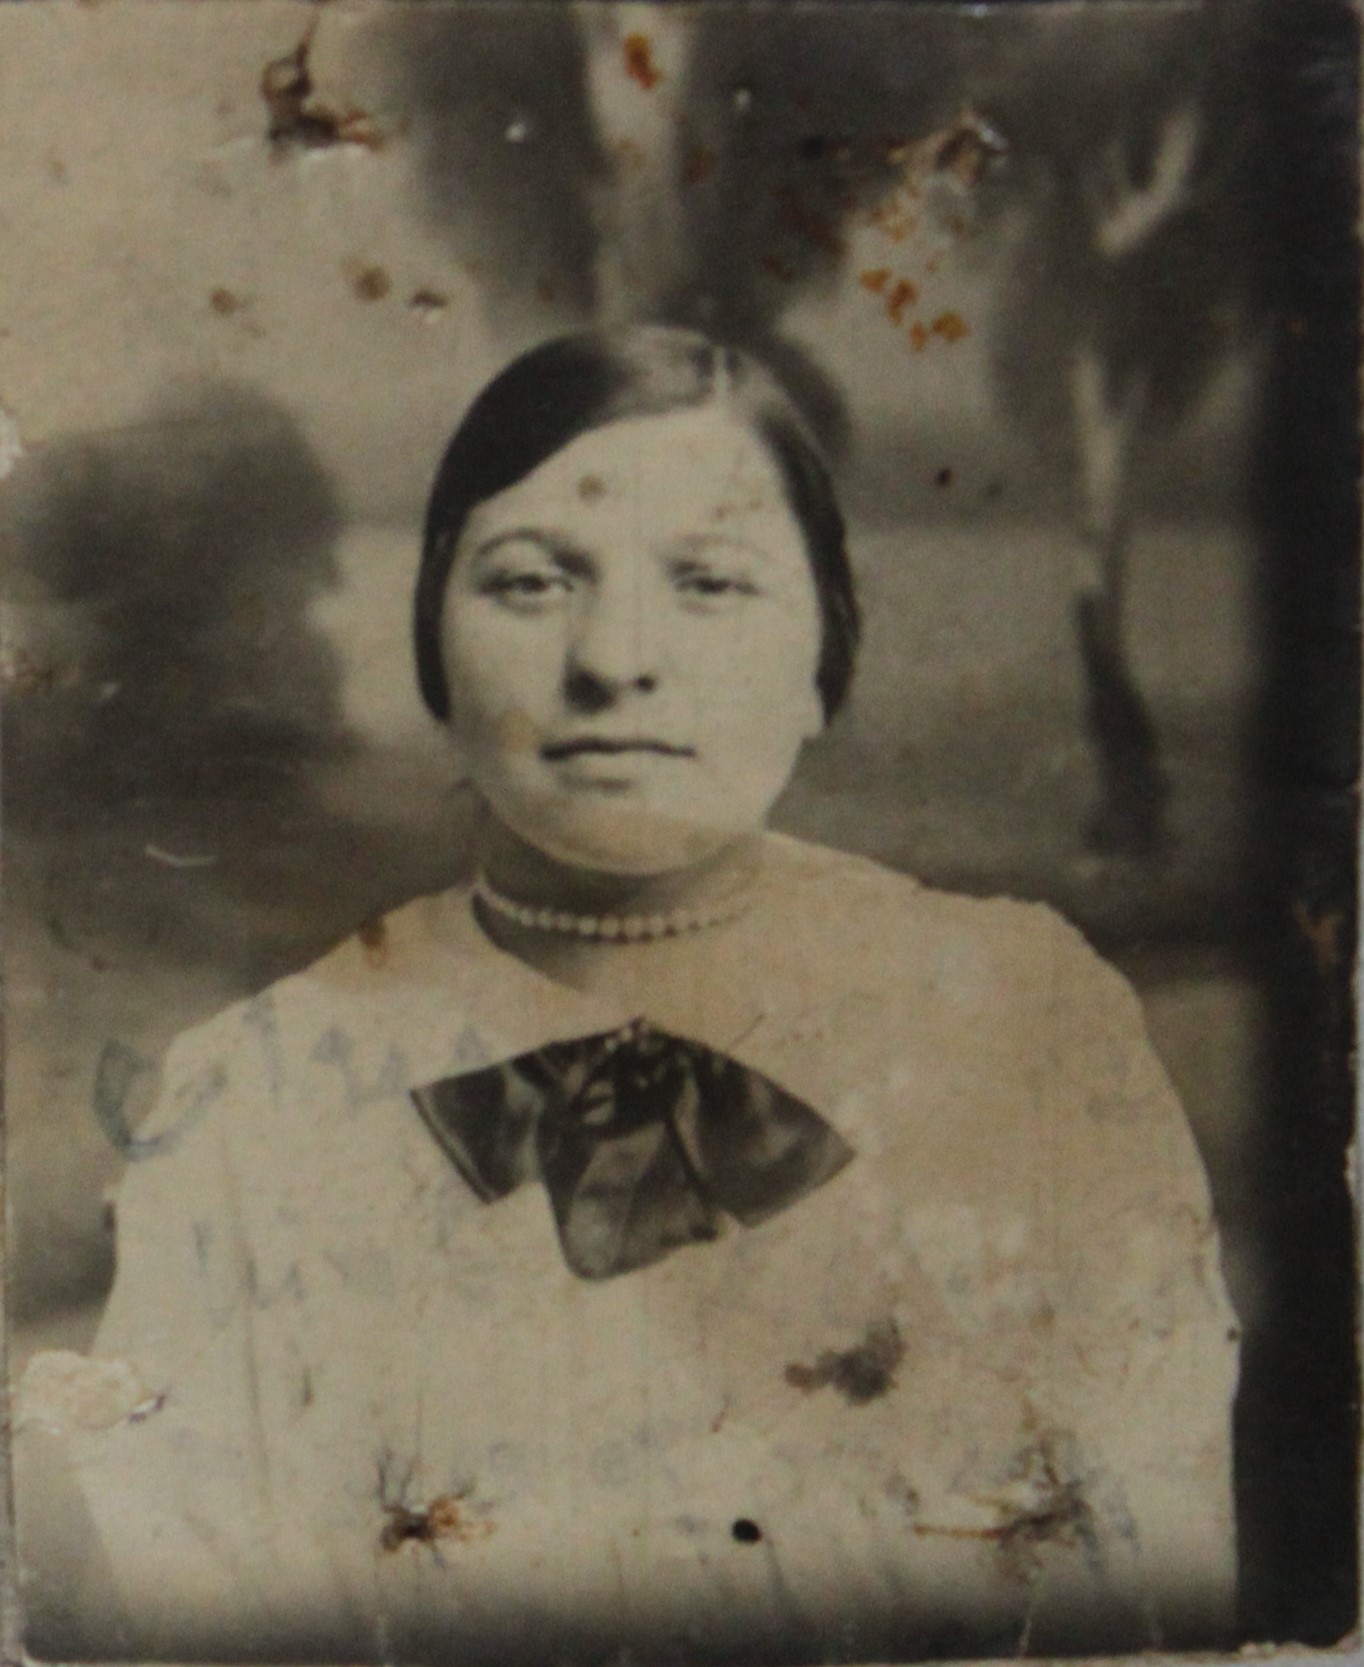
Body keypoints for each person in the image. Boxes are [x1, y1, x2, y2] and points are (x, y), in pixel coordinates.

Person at [27, 327, 1238, 1664]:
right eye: (532, 580)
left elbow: (1152, 1585)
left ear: (824, 654)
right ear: (434, 643)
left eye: (710, 581)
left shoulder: (1033, 1028)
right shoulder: (248, 1101)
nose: (615, 657)